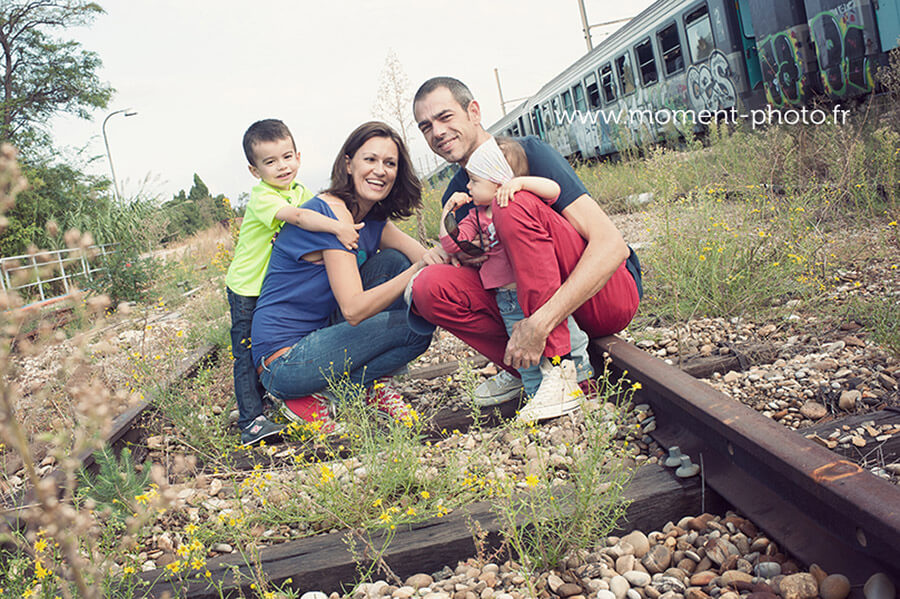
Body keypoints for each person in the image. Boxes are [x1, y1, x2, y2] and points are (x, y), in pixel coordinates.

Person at [408, 77, 642, 414]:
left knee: (510, 203)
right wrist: (452, 253)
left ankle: (562, 371)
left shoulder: (527, 154)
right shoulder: (458, 193)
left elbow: (611, 245)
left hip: (604, 299)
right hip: (530, 306)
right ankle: (526, 368)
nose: (437, 131)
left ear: (474, 112)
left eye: (446, 117)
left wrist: (540, 324)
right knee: (430, 286)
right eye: (426, 126)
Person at [251, 121, 434, 432]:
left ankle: (349, 389)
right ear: (349, 164)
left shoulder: (371, 218)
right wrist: (419, 271)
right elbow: (353, 309)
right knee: (416, 328)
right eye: (370, 159)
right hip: (284, 362)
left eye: (390, 163)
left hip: (320, 338)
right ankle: (337, 391)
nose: (380, 170)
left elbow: (425, 258)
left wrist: (461, 253)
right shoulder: (331, 215)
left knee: (393, 261)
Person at [226, 118, 363, 447]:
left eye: (287, 157)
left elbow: (317, 207)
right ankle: (250, 421)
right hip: (249, 288)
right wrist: (338, 228)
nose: (282, 167)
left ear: (298, 156)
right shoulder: (262, 197)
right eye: (270, 162)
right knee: (247, 353)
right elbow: (299, 217)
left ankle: (282, 397)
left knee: (284, 340)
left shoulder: (301, 191)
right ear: (254, 170)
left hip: (277, 288)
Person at [438, 135, 592, 421]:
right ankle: (539, 399)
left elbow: (554, 189)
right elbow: (451, 245)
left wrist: (520, 183)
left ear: (498, 181)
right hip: (507, 299)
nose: (468, 186)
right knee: (525, 356)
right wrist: (448, 213)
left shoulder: (520, 199)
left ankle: (577, 376)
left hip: (537, 287)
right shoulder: (475, 215)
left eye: (474, 181)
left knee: (563, 331)